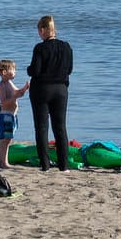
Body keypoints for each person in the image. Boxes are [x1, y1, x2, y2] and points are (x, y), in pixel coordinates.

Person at [27, 14, 73, 171]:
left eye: (39, 30)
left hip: (41, 89)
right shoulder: (66, 46)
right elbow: (70, 69)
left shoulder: (40, 48)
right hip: (61, 89)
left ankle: (45, 165)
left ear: (43, 30)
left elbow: (35, 70)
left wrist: (28, 69)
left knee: (41, 127)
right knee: (60, 127)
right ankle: (64, 165)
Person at [0, 58, 27, 169]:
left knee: (8, 139)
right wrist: (14, 97)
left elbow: (18, 93)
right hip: (6, 115)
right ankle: (3, 162)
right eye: (13, 69)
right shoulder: (2, 85)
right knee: (5, 140)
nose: (15, 72)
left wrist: (24, 89)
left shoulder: (9, 83)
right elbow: (4, 102)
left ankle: (3, 160)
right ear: (4, 72)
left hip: (12, 115)